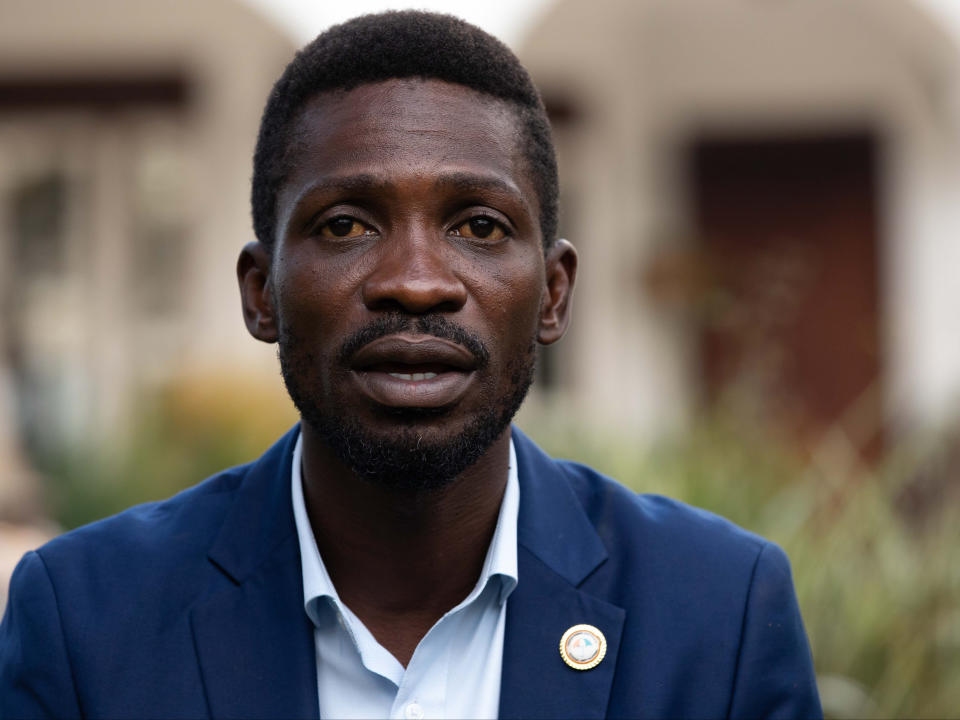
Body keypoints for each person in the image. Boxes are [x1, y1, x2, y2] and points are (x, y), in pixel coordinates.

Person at [0, 11, 822, 719]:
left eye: (480, 226)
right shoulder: (87, 620)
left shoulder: (720, 612)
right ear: (261, 294)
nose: (417, 283)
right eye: (348, 225)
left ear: (553, 295)